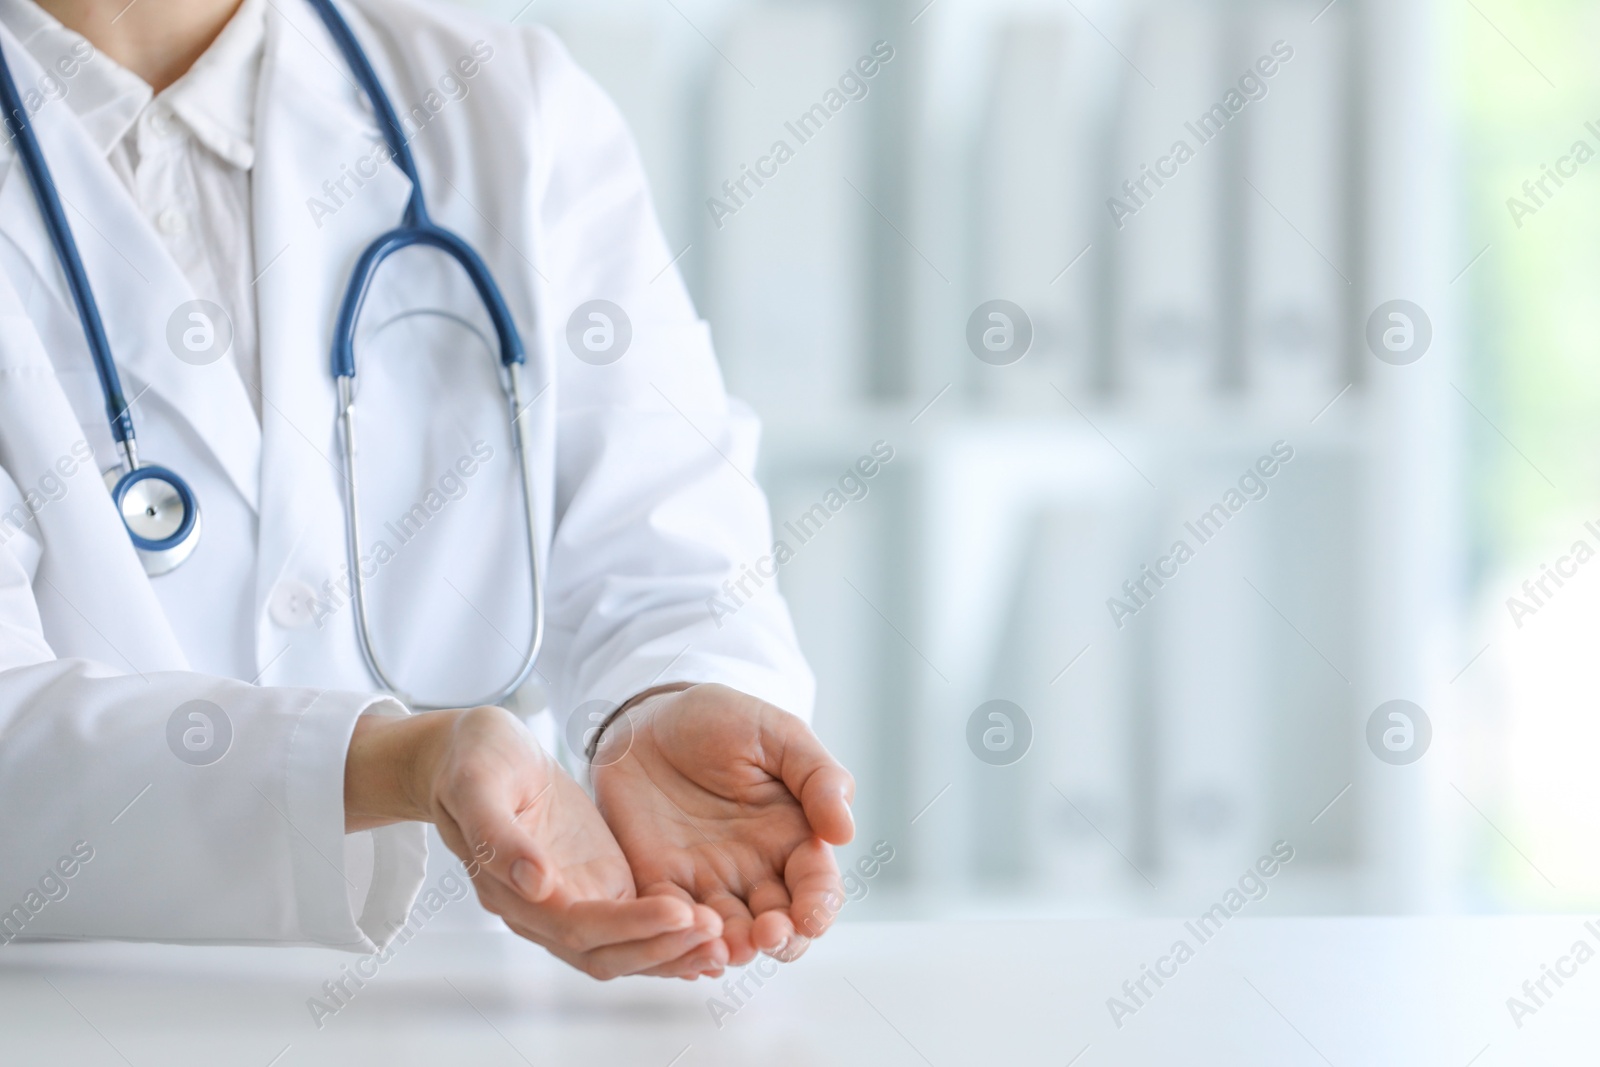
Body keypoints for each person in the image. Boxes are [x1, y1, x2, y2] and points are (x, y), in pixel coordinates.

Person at [0, 0, 854, 982]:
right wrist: (399, 764)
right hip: (62, 1017)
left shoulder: (509, 107)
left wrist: (666, 694)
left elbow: (668, 546)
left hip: (471, 1003)